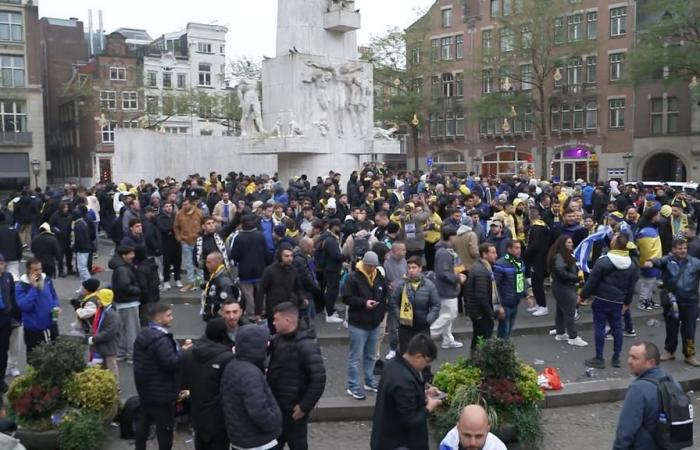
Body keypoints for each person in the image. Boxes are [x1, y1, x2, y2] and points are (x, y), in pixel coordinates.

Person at [268, 302, 326, 450]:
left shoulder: (306, 346)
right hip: (277, 407)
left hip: (293, 411)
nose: (273, 322)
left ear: (287, 321)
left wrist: (304, 407)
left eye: (276, 319)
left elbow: (319, 379)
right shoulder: (278, 339)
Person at [133, 303, 191, 450]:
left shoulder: (143, 334)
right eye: (168, 315)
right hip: (163, 394)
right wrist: (184, 352)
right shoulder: (162, 340)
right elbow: (171, 364)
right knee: (164, 429)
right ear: (158, 319)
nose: (172, 318)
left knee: (143, 423)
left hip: (145, 390)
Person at [370, 334, 442, 450]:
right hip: (399, 444)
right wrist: (429, 408)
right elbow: (410, 421)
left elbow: (398, 400)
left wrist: (423, 394)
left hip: (383, 439)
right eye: (426, 362)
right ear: (418, 356)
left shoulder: (392, 365)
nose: (426, 366)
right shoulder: (405, 380)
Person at [580, 234, 639, 369]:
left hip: (602, 299)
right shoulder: (631, 264)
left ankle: (599, 358)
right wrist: (627, 303)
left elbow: (592, 281)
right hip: (618, 301)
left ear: (614, 244)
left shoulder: (604, 261)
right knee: (617, 328)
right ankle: (616, 358)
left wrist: (583, 296)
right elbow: (631, 286)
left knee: (599, 328)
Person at [221, 325, 282, 450]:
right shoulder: (250, 373)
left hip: (240, 437)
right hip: (258, 442)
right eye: (265, 342)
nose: (268, 345)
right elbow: (258, 410)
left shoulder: (233, 365)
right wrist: (274, 423)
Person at [613, 341, 680, 449]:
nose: (629, 361)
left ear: (651, 362)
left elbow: (626, 429)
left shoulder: (638, 388)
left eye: (635, 358)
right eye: (629, 356)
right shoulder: (672, 381)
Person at [180, 318, 235, 450]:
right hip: (219, 415)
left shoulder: (189, 354)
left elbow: (183, 382)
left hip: (197, 410)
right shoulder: (227, 358)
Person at [645, 238, 700, 367]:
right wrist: (650, 262)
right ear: (673, 249)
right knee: (671, 328)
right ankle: (669, 351)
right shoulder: (667, 261)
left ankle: (690, 354)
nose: (683, 251)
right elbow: (657, 261)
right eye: (680, 248)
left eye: (685, 248)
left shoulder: (695, 262)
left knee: (689, 330)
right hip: (672, 301)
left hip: (690, 301)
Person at [342, 251, 387, 400]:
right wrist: (363, 303)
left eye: (375, 266)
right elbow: (346, 298)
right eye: (371, 266)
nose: (373, 268)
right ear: (365, 264)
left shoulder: (378, 276)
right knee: (355, 357)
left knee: (371, 355)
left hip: (374, 322)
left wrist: (380, 314)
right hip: (358, 324)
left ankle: (369, 381)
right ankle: (353, 386)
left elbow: (384, 295)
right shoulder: (353, 278)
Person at [389, 256, 440, 357]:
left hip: (422, 325)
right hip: (405, 326)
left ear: (420, 268)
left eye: (414, 267)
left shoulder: (429, 285)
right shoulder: (402, 285)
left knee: (424, 354)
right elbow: (393, 301)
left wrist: (429, 319)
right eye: (409, 268)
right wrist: (399, 315)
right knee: (406, 355)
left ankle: (425, 373)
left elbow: (436, 305)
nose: (411, 270)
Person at [548, 235, 588, 347]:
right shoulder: (561, 256)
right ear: (563, 244)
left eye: (571, 242)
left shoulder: (563, 255)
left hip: (561, 286)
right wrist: (574, 278)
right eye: (569, 242)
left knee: (561, 310)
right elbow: (560, 270)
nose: (571, 244)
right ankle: (573, 336)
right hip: (564, 286)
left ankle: (561, 332)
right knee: (570, 311)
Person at [15, 258, 60, 356]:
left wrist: (56, 306)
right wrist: (33, 288)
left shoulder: (47, 280)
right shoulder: (21, 286)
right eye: (35, 270)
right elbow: (25, 306)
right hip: (34, 329)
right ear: (28, 270)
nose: (39, 272)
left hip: (51, 325)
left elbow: (54, 296)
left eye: (40, 269)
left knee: (55, 355)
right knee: (35, 358)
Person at [430, 227, 465, 349]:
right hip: (446, 288)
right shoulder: (444, 252)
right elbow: (443, 273)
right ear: (451, 237)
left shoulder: (445, 250)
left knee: (446, 314)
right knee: (450, 314)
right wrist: (457, 278)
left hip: (445, 288)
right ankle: (429, 335)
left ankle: (447, 340)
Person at [465, 243, 502, 353]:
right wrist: (491, 314)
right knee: (482, 342)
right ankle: (478, 364)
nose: (496, 255)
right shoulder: (482, 271)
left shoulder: (481, 267)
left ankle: (474, 363)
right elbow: (481, 297)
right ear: (484, 254)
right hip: (480, 314)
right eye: (493, 252)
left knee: (477, 340)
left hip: (477, 312)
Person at [230, 214, 269, 318]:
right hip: (260, 268)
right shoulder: (260, 235)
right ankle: (263, 311)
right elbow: (266, 252)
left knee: (248, 294)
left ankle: (251, 313)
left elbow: (234, 255)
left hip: (245, 270)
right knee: (261, 292)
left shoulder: (239, 238)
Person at [256, 246, 303, 331]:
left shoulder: (293, 270)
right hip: (273, 308)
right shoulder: (270, 271)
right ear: (280, 257)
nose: (290, 258)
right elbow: (261, 291)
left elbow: (297, 288)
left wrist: (301, 300)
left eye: (291, 256)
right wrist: (258, 312)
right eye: (286, 256)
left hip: (289, 306)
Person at [109, 245, 141, 363]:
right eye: (131, 254)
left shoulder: (119, 267)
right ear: (124, 255)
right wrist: (138, 290)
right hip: (129, 302)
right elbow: (125, 286)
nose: (133, 256)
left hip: (121, 303)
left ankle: (121, 353)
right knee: (132, 330)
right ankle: (132, 355)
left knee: (122, 330)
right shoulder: (123, 269)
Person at [87, 288, 121, 385]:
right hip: (103, 346)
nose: (97, 301)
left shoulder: (112, 315)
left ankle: (115, 387)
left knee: (111, 368)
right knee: (103, 368)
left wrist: (94, 339)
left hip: (109, 347)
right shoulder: (103, 311)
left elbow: (109, 332)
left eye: (99, 299)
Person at [493, 240, 526, 339]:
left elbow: (521, 280)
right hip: (505, 302)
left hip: (515, 301)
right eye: (516, 248)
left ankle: (504, 350)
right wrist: (499, 305)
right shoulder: (500, 264)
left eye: (519, 248)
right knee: (504, 330)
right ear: (509, 249)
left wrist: (526, 294)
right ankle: (501, 351)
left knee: (509, 328)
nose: (519, 250)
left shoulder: (519, 263)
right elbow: (495, 286)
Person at [439, 404, 507, 450]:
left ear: (487, 430)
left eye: (478, 436)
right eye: (467, 435)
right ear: (458, 428)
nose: (472, 443)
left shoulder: (498, 448)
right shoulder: (449, 442)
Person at [174, 198, 204, 292]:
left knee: (199, 264)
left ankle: (199, 283)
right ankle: (190, 282)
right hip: (186, 242)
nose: (184, 206)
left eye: (186, 204)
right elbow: (176, 227)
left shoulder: (199, 212)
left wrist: (202, 237)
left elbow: (204, 224)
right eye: (183, 205)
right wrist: (179, 238)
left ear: (191, 204)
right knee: (188, 264)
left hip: (198, 242)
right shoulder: (179, 213)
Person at [636, 207, 663, 312]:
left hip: (653, 262)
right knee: (647, 283)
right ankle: (643, 302)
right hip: (650, 263)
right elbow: (646, 251)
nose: (660, 217)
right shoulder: (647, 231)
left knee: (650, 283)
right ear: (653, 217)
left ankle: (649, 299)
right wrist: (649, 263)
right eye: (658, 215)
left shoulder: (650, 229)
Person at [319, 218, 345, 323]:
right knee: (331, 291)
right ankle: (329, 314)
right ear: (334, 226)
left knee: (332, 290)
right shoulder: (330, 240)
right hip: (331, 269)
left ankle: (330, 310)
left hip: (331, 268)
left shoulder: (330, 238)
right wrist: (345, 256)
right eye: (338, 226)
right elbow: (336, 255)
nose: (340, 229)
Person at [525, 208, 550, 317]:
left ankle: (543, 306)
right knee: (536, 283)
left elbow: (533, 246)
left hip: (536, 259)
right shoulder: (545, 227)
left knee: (537, 283)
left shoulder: (535, 229)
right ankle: (539, 304)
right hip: (543, 258)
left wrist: (525, 254)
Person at [201, 252, 239, 322]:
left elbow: (228, 302)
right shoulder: (217, 274)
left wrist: (218, 316)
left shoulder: (223, 280)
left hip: (217, 319)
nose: (206, 265)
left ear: (217, 263)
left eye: (209, 262)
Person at [0, 254, 17, 389]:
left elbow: (12, 296)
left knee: (3, 350)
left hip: (5, 318)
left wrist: (15, 316)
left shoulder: (8, 277)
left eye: (1, 263)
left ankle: (1, 380)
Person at [156, 202, 182, 291]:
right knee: (166, 263)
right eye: (166, 206)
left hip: (177, 242)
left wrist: (172, 230)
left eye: (170, 206)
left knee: (177, 262)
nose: (168, 208)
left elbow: (180, 227)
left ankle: (177, 279)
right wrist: (172, 230)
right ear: (163, 208)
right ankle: (166, 280)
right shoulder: (160, 218)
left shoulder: (176, 216)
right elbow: (163, 228)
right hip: (166, 243)